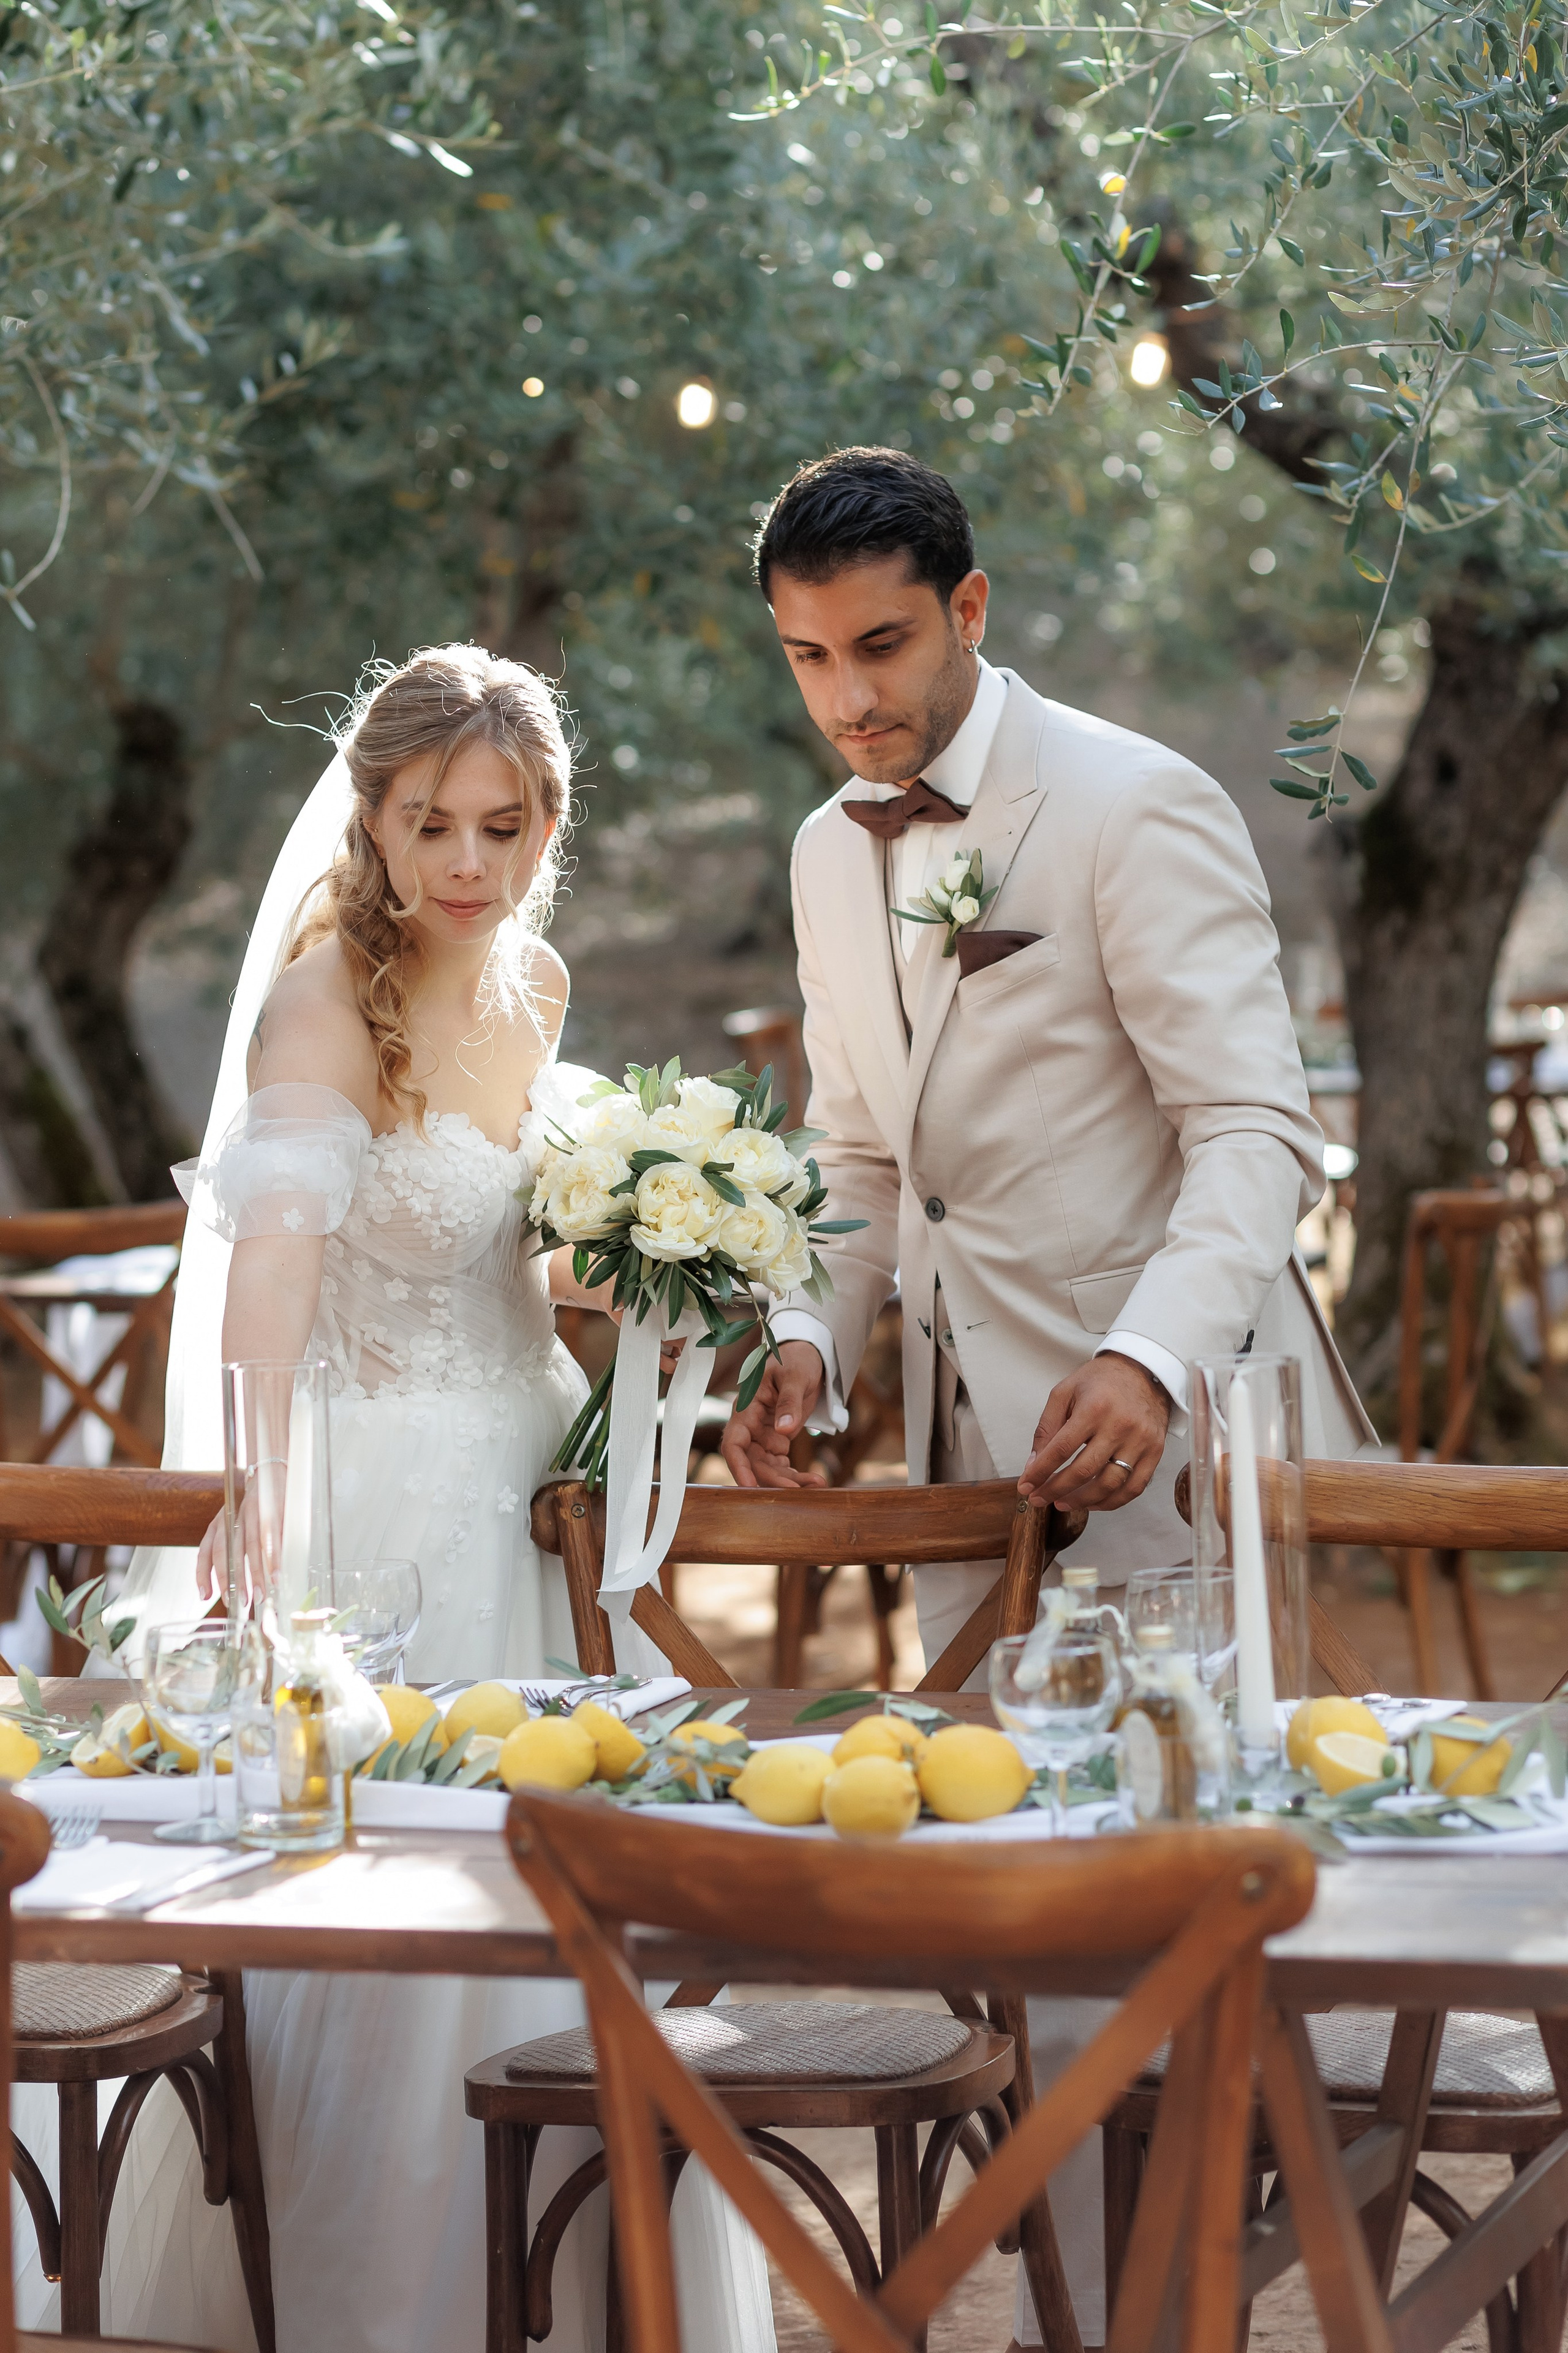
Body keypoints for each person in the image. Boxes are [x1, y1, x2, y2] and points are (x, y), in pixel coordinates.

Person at [28, 646, 772, 2353]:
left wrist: (650, 1245)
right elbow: (267, 1284)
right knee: (385, 1901)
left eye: (503, 827)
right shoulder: (318, 998)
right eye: (431, 822)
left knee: (555, 1884)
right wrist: (256, 1516)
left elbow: (523, 1245)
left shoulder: (546, 982)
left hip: (531, 1492)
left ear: (547, 826)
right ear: (371, 814)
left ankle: (581, 2303)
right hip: (380, 1508)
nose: (466, 863)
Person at [720, 448, 1376, 2348]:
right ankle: (1092, 2313)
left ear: (973, 607)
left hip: (1180, 1454)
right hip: (967, 1480)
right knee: (1033, 1920)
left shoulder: (1128, 801)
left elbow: (1256, 1129)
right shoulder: (821, 850)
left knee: (1189, 1924)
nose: (852, 695)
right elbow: (858, 1160)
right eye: (807, 656)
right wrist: (806, 1341)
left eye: (885, 643)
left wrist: (1153, 1356)